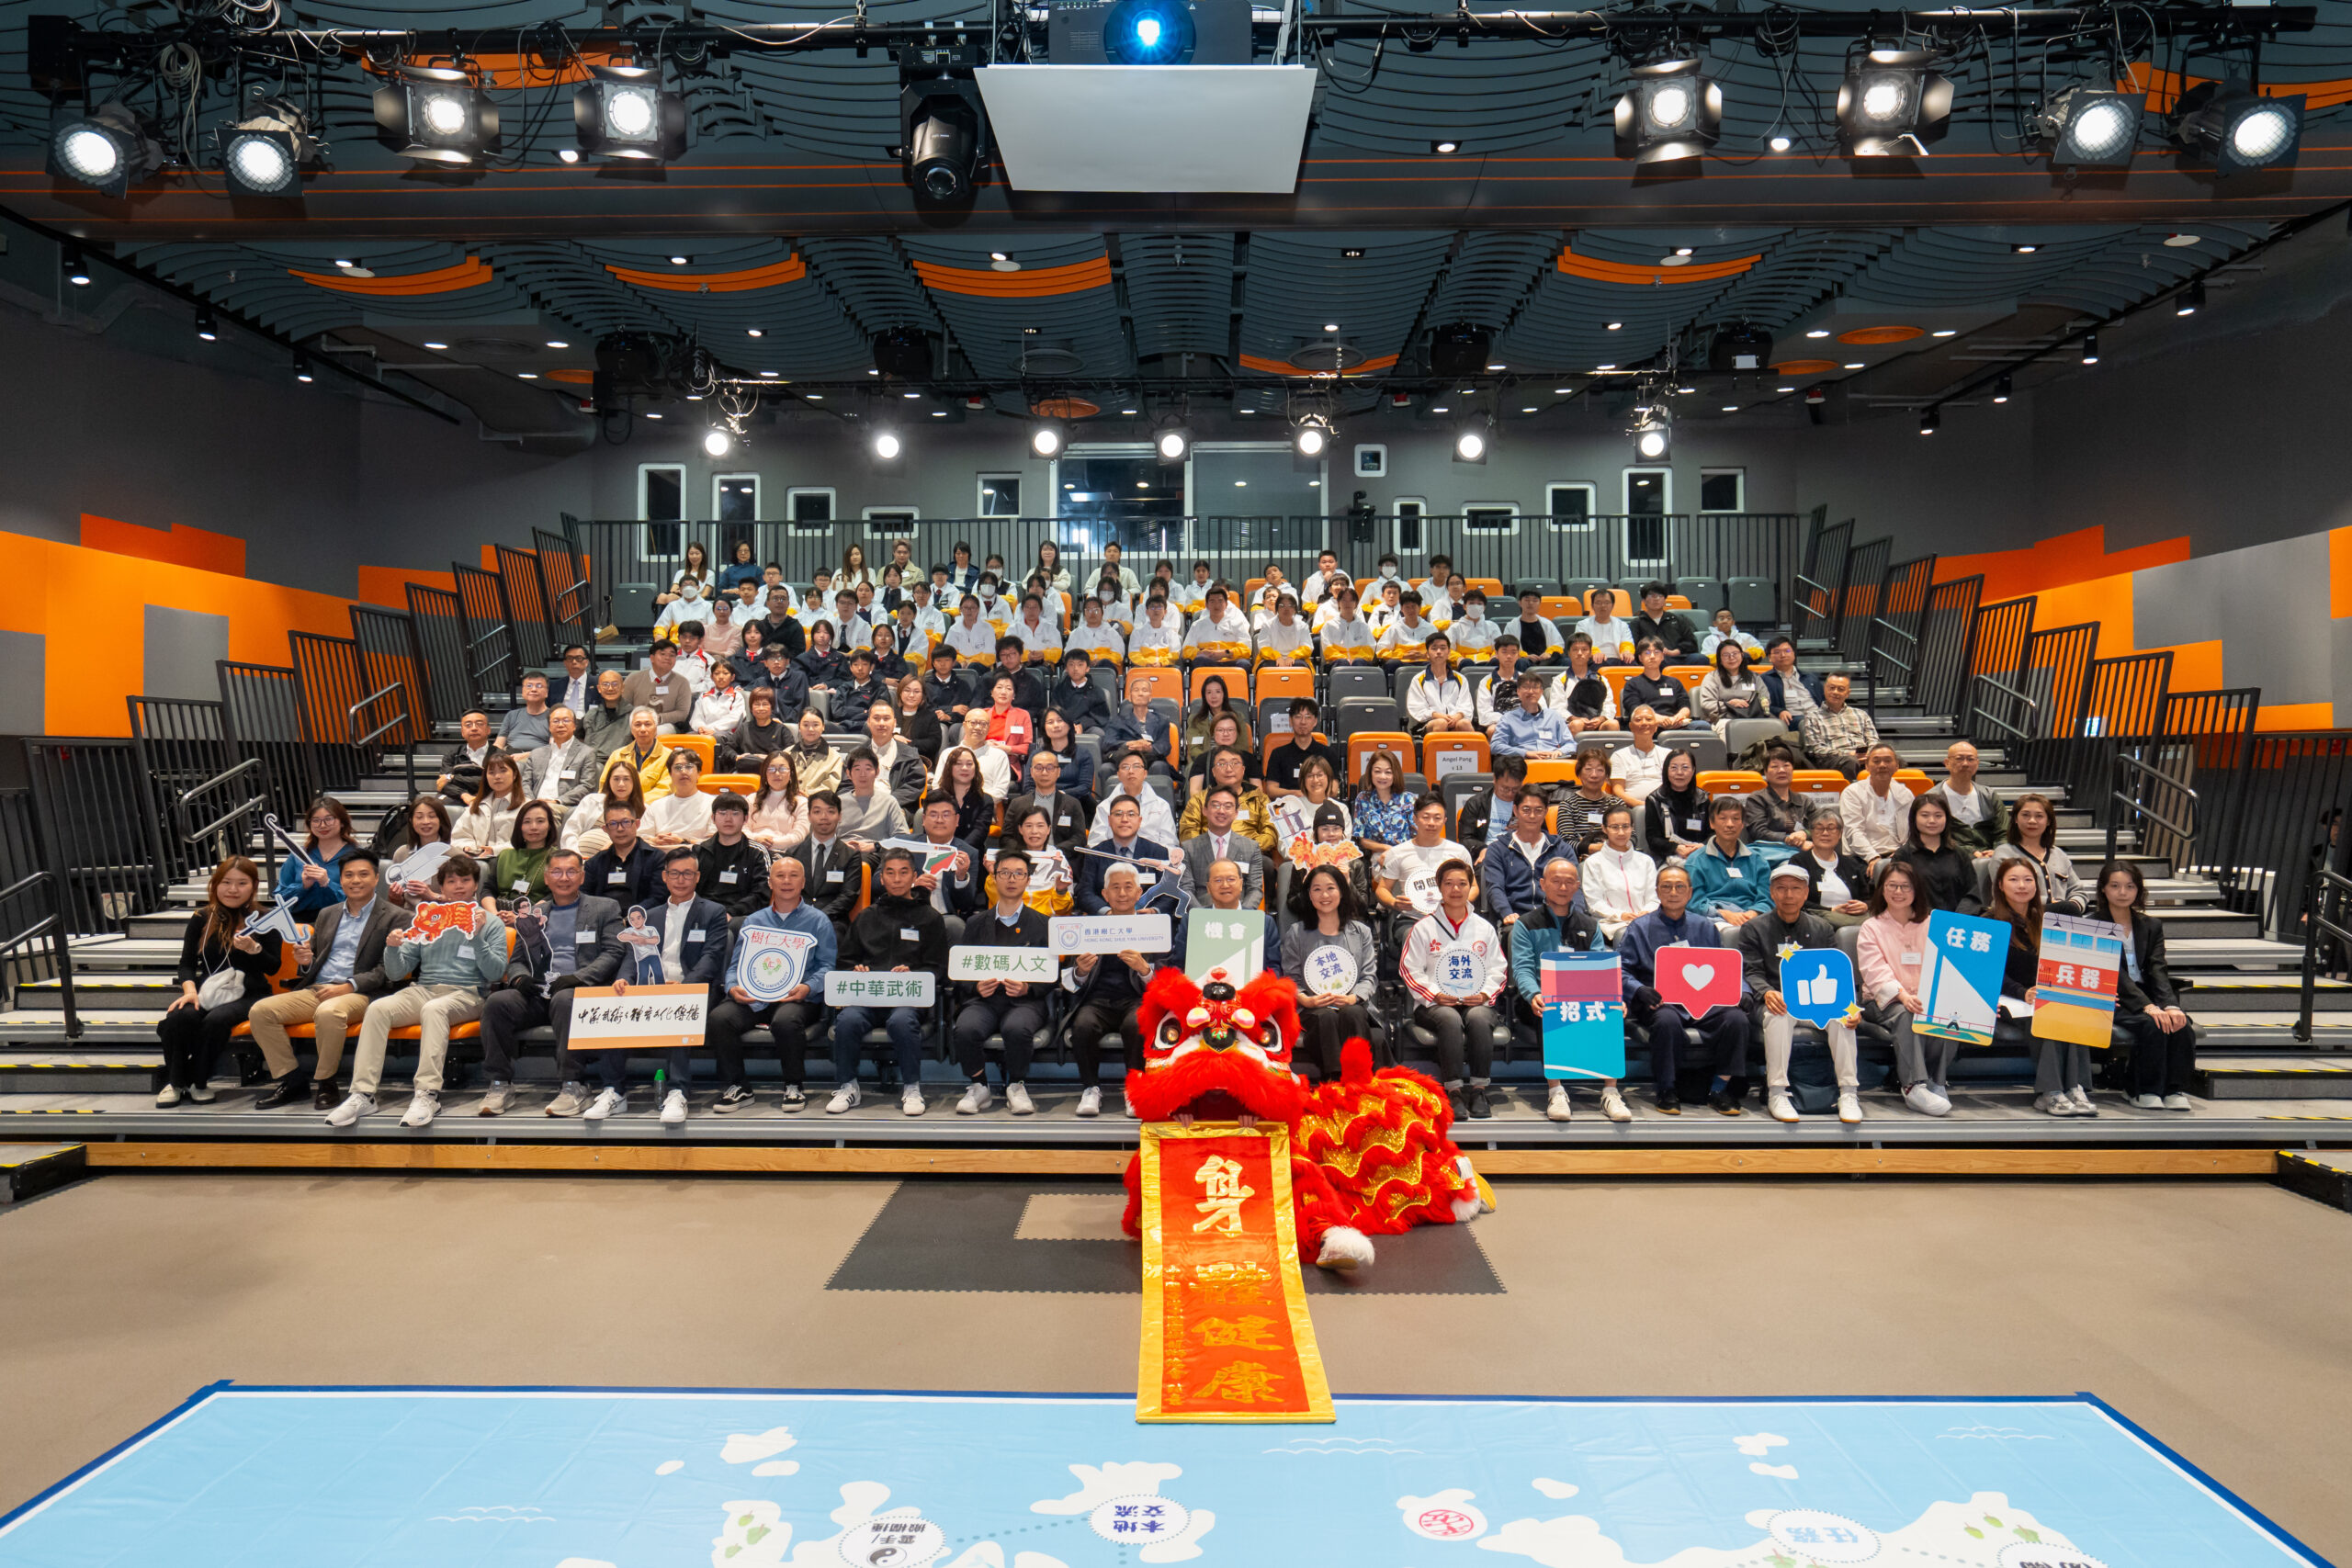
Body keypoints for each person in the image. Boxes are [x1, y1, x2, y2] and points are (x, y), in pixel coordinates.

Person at [327, 854, 508, 1129]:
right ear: (441, 887)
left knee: (434, 1010)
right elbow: (397, 973)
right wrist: (392, 948)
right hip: (424, 988)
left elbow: (495, 973)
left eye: (465, 880)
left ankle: (427, 1094)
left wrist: (477, 935)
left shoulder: (491, 922)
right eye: (451, 881)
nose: (459, 886)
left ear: (475, 885)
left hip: (469, 993)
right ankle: (362, 1094)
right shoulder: (429, 919)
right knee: (377, 1008)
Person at [560, 848, 731, 1124]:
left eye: (687, 874)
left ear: (698, 877)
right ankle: (614, 1091)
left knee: (677, 1007)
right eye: (674, 873)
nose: (681, 880)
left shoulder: (713, 911)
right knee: (614, 1005)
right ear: (664, 877)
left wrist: (683, 986)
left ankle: (677, 1091)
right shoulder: (648, 915)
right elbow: (632, 955)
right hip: (651, 987)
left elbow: (711, 958)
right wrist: (624, 979)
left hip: (693, 987)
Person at [246, 848, 401, 1111]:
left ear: (376, 878)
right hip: (319, 987)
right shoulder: (327, 913)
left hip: (361, 992)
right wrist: (306, 962)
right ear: (341, 879)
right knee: (261, 1011)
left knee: (329, 1012)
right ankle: (292, 1080)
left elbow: (387, 969)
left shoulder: (396, 916)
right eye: (348, 875)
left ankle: (326, 1082)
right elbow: (313, 960)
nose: (355, 880)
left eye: (363, 874)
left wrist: (348, 986)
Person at [473, 849, 625, 1117]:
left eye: (571, 871)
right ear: (546, 878)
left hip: (578, 992)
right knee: (497, 1003)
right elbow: (518, 959)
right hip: (537, 993)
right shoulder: (534, 913)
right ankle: (499, 1083)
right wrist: (519, 977)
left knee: (565, 1000)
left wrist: (578, 978)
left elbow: (613, 952)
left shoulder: (604, 907)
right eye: (556, 872)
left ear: (582, 876)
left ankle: (573, 1085)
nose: (563, 878)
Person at [1736, 862, 1863, 1124]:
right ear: (1772, 892)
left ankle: (1848, 1092)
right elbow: (1751, 971)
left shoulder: (1823, 928)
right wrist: (1767, 992)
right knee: (1779, 1015)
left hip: (1816, 1000)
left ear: (1806, 893)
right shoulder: (1753, 928)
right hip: (1775, 1000)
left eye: (1796, 889)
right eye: (1781, 888)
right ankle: (1777, 1092)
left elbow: (1838, 974)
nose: (1789, 895)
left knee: (1844, 1018)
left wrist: (1852, 1008)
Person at [1619, 863, 1750, 1116]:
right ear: (1657, 891)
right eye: (1666, 887)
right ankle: (1667, 1089)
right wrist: (1639, 989)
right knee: (1666, 1021)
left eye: (1680, 887)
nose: (1673, 892)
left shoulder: (1705, 926)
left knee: (1737, 1019)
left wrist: (1742, 990)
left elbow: (1727, 967)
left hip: (1706, 1002)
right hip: (1661, 1002)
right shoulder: (1639, 927)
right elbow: (1620, 969)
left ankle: (1719, 1089)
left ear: (1690, 892)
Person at [154, 855, 284, 1106]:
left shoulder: (265, 918)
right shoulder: (202, 917)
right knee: (179, 1017)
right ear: (215, 885)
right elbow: (186, 964)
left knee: (216, 1020)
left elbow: (273, 967)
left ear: (253, 887)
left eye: (242, 883)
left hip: (251, 993)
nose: (233, 889)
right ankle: (176, 1083)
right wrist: (190, 991)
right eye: (226, 882)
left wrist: (254, 949)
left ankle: (197, 1081)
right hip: (208, 991)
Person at [1509, 858, 1631, 1123]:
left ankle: (1610, 1092)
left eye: (1568, 882)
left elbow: (1600, 969)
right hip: (1538, 997)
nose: (1562, 887)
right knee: (1549, 1009)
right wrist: (1534, 994)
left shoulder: (1591, 925)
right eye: (1556, 881)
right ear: (1543, 884)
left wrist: (1613, 998)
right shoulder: (1526, 924)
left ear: (1577, 886)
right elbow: (1522, 969)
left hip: (1582, 996)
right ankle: (1556, 1091)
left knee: (1611, 1010)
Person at [828, 848, 947, 1116]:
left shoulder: (930, 918)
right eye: (890, 873)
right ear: (881, 878)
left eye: (903, 873)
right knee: (847, 1021)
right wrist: (856, 970)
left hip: (908, 997)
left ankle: (912, 1087)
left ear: (914, 877)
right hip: (868, 996)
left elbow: (938, 968)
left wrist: (914, 972)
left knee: (901, 1022)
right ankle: (848, 1086)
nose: (896, 879)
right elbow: (845, 962)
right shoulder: (866, 916)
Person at [1063, 861, 1185, 1119]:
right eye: (1115, 888)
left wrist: (1144, 969)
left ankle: (1134, 1088)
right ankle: (1090, 1088)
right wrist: (1080, 971)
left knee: (1137, 1023)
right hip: (1097, 1000)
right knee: (1083, 1025)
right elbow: (1069, 980)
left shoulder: (1155, 929)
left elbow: (1166, 978)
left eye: (1128, 887)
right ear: (1104, 894)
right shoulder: (1088, 928)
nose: (1121, 893)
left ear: (1139, 893)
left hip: (1136, 999)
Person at [946, 849, 1053, 1116]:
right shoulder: (975, 923)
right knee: (965, 1028)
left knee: (1017, 1029)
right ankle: (979, 1085)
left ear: (1028, 880)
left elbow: (1053, 975)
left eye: (1019, 873)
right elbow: (960, 971)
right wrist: (975, 986)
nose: (1011, 879)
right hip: (983, 1000)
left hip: (1025, 1002)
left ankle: (1016, 1085)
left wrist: (1029, 987)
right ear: (994, 878)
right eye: (1004, 873)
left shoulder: (1044, 924)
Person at [1987, 857, 2094, 1117]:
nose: (2021, 886)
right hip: (2008, 997)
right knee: (2045, 1018)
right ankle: (2051, 1092)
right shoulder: (1990, 921)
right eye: (2013, 880)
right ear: (2000, 885)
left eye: (2028, 880)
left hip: (2045, 992)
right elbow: (1991, 971)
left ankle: (2074, 1087)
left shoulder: (2048, 919)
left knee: (2074, 1011)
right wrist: (2021, 992)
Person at [1400, 859, 1504, 1119]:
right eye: (1449, 884)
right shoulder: (1423, 928)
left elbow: (1498, 969)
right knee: (1449, 1018)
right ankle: (1454, 1091)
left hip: (1475, 1000)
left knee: (1479, 1018)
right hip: (1435, 1003)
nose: (1456, 889)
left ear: (1470, 887)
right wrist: (1434, 994)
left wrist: (1484, 994)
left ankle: (1479, 1089)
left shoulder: (1484, 928)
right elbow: (1409, 969)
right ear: (1439, 887)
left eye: (1462, 884)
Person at [2098, 859, 2198, 1111]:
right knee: (2153, 1025)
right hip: (2111, 997)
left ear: (2138, 890)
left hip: (2147, 996)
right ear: (2103, 889)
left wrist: (2170, 1005)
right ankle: (2142, 1090)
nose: (2122, 892)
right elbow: (2114, 972)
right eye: (2115, 886)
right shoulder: (2093, 923)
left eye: (2130, 886)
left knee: (2181, 1024)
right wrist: (2147, 1006)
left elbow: (2157, 968)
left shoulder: (2151, 925)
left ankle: (2173, 1089)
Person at [1859, 860, 1950, 1116]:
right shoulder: (1871, 927)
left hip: (1925, 997)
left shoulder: (1934, 924)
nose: (1898, 892)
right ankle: (1913, 1086)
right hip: (1883, 1002)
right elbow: (1874, 971)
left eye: (1905, 886)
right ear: (1882, 889)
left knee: (1951, 1016)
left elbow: (1946, 965)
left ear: (1916, 890)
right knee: (1907, 1014)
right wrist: (1903, 995)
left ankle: (1936, 1081)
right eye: (1892, 886)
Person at [1282, 864, 1379, 1081]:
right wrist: (1305, 1000)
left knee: (1352, 1013)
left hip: (1352, 1003)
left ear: (1342, 891)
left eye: (1330, 888)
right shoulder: (1297, 932)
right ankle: (1333, 1079)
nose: (1324, 895)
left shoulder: (1361, 932)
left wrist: (1354, 997)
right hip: (1313, 1007)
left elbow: (1369, 976)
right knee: (1325, 1017)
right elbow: (1290, 977)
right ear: (1309, 895)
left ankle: (1361, 1078)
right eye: (1316, 889)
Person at [1376, 795, 1473, 935]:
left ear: (1444, 821)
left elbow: (1473, 887)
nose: (1431, 823)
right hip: (1412, 918)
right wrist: (1393, 902)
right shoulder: (1397, 853)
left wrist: (1457, 901)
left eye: (1437, 818)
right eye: (1426, 817)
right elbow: (1382, 889)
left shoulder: (1459, 852)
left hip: (1452, 916)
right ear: (1415, 819)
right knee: (1414, 935)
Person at [1077, 793, 1180, 915]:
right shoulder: (1096, 853)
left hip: (1147, 920)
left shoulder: (1157, 852)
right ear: (1109, 820)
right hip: (1106, 921)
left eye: (1131, 814)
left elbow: (1169, 892)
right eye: (1118, 814)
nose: (1124, 820)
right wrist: (1107, 912)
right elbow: (1085, 893)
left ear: (1140, 820)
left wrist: (1153, 911)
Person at [1484, 790, 1575, 926]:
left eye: (1538, 810)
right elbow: (1495, 888)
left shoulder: (1561, 849)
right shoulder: (1498, 849)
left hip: (1556, 917)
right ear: (1515, 810)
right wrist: (1506, 913)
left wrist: (1575, 916)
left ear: (1546, 812)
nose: (1532, 816)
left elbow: (1575, 886)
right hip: (1517, 919)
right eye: (1526, 810)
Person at [1989, 793, 2090, 913]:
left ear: (2048, 821)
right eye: (2025, 815)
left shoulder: (2058, 854)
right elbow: (2002, 894)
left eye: (2039, 816)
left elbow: (2078, 890)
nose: (2032, 821)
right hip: (2020, 915)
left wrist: (2074, 905)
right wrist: (2054, 904)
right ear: (2016, 819)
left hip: (2061, 916)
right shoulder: (2003, 854)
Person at [1686, 795, 1773, 931]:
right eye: (1723, 818)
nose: (1730, 824)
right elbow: (1694, 902)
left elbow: (1767, 897)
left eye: (1736, 818)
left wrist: (1753, 913)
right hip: (1713, 917)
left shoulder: (1757, 860)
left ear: (1743, 823)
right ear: (1712, 823)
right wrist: (1723, 913)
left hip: (1751, 916)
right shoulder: (1696, 860)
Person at [1179, 783, 1270, 908]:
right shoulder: (1188, 848)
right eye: (1216, 805)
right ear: (1205, 810)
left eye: (1228, 806)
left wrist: (1243, 915)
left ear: (1236, 812)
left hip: (1240, 914)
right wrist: (1200, 915)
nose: (1221, 811)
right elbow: (1186, 889)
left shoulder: (1251, 847)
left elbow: (1255, 889)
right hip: (1202, 913)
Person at [1889, 794, 1979, 915]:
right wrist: (1934, 917)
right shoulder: (1903, 856)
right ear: (1914, 818)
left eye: (1938, 816)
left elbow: (1973, 893)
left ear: (1947, 818)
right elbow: (1898, 895)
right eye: (1925, 815)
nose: (1932, 821)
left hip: (1958, 921)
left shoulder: (1959, 854)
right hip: (1918, 920)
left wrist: (1958, 917)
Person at [1177, 748, 1278, 854]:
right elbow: (1188, 832)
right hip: (1208, 855)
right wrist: (1213, 850)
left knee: (1266, 862)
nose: (1229, 769)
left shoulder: (1260, 799)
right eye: (1222, 764)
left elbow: (1270, 833)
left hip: (1249, 854)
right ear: (1214, 772)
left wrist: (1246, 849)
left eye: (1235, 763)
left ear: (1243, 770)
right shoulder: (1199, 800)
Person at [1583, 800, 1659, 942]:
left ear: (1632, 828)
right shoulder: (1593, 863)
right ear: (1604, 829)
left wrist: (1645, 913)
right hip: (1613, 924)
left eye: (1625, 827)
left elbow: (1654, 898)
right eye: (1614, 827)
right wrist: (1621, 915)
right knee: (1629, 935)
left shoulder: (1645, 861)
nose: (1621, 832)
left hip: (1646, 920)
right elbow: (1594, 903)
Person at [275, 796, 356, 919]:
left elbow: (363, 898)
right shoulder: (298, 855)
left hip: (343, 921)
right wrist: (303, 887)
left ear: (342, 822)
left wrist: (327, 883)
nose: (322, 825)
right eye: (316, 820)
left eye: (329, 819)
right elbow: (280, 897)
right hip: (301, 922)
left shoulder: (357, 856)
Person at [1923, 740, 2007, 857]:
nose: (1965, 764)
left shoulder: (1989, 796)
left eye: (1971, 759)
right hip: (1948, 856)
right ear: (1947, 763)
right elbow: (1932, 836)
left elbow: (2004, 833)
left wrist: (1998, 851)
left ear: (1977, 764)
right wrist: (1971, 853)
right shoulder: (1932, 797)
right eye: (1959, 759)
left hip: (1990, 858)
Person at [1838, 743, 1914, 873]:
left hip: (1897, 855)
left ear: (1897, 766)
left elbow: (1911, 832)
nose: (1882, 765)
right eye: (1876, 761)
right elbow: (1853, 831)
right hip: (1861, 858)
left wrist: (1900, 853)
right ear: (1867, 766)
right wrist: (1873, 857)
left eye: (1888, 761)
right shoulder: (1852, 792)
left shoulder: (1905, 794)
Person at [693, 792, 768, 917]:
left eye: (735, 813)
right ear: (713, 818)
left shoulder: (757, 852)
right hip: (703, 913)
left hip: (741, 916)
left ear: (745, 818)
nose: (728, 819)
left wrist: (731, 913)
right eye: (722, 813)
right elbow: (688, 888)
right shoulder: (700, 850)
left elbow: (761, 894)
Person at [1090, 749, 1182, 851]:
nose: (1131, 771)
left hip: (1152, 858)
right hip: (1115, 858)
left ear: (1145, 773)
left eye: (1136, 766)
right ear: (1118, 775)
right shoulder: (1104, 807)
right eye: (1125, 767)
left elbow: (1170, 844)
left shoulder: (1161, 806)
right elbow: (1096, 844)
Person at [582, 801, 665, 909]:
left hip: (642, 917)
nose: (620, 829)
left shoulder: (656, 858)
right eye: (613, 824)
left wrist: (633, 915)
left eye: (626, 822)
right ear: (605, 829)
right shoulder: (594, 863)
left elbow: (658, 897)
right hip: (602, 917)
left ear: (637, 824)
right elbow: (584, 897)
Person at [1798, 808, 1873, 928]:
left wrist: (1865, 905)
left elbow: (1867, 897)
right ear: (1811, 832)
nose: (1825, 833)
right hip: (1817, 919)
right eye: (1819, 828)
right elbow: (1796, 899)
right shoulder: (1799, 862)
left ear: (1840, 833)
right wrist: (1831, 910)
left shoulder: (1851, 863)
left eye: (1831, 828)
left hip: (1853, 917)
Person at [523, 706, 599, 819]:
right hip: (534, 803)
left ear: (574, 726)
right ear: (549, 726)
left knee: (545, 815)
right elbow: (525, 783)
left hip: (563, 805)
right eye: (556, 721)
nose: (560, 725)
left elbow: (586, 786)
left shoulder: (587, 753)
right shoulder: (537, 753)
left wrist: (557, 801)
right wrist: (531, 802)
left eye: (566, 720)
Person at [1801, 672, 1879, 779]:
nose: (1835, 692)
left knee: (1894, 759)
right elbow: (1816, 749)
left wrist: (1870, 754)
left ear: (1848, 693)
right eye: (1832, 688)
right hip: (1833, 760)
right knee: (1850, 761)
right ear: (1825, 689)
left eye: (1840, 689)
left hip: (1864, 757)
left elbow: (1873, 740)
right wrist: (1849, 754)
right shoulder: (1812, 717)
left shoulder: (1861, 714)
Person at [1644, 746, 1712, 864]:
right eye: (1674, 768)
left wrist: (1703, 846)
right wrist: (1675, 848)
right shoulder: (1654, 800)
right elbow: (1653, 839)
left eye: (1685, 768)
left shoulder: (1703, 799)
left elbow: (1713, 833)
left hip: (1700, 856)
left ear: (1693, 771)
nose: (1679, 773)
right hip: (1666, 857)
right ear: (1666, 771)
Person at [452, 752, 524, 858]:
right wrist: (467, 847)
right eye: (491, 772)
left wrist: (495, 850)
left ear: (515, 774)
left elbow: (527, 841)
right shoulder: (476, 805)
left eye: (503, 771)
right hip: (477, 859)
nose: (497, 777)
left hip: (511, 859)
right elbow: (459, 836)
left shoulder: (526, 807)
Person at [641, 748, 716, 847]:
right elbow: (640, 839)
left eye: (689, 767)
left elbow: (715, 842)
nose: (683, 772)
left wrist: (683, 842)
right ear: (670, 774)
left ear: (698, 773)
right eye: (678, 767)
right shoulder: (656, 806)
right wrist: (654, 840)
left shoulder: (713, 804)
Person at [1403, 635, 1475, 739]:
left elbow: (1466, 705)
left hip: (1455, 720)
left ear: (1449, 652)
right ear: (1427, 654)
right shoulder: (1418, 679)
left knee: (1465, 724)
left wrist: (1457, 716)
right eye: (1434, 648)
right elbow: (1417, 708)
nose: (1439, 651)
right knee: (1441, 723)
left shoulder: (1461, 679)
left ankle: (1474, 751)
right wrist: (1437, 715)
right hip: (1428, 724)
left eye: (1443, 648)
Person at [836, 747, 910, 845]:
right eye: (857, 769)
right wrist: (843, 847)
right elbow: (824, 836)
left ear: (877, 772)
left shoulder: (889, 802)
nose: (862, 774)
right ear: (848, 774)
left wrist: (874, 847)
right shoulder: (838, 803)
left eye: (868, 769)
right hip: (842, 850)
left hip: (876, 851)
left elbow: (902, 837)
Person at [1263, 699, 1338, 797]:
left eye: (1308, 717)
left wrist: (1312, 797)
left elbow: (1333, 789)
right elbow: (1271, 790)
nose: (1303, 722)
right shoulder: (1278, 754)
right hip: (1288, 804)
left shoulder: (1328, 753)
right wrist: (1294, 794)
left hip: (1320, 803)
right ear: (1290, 721)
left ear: (1315, 721)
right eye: (1298, 717)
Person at [602, 707, 677, 804]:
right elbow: (604, 786)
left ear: (656, 727)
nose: (642, 729)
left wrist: (634, 803)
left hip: (653, 808)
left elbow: (665, 790)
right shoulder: (617, 755)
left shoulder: (670, 757)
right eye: (637, 725)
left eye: (648, 724)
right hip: (618, 807)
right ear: (631, 729)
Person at [1351, 750, 1416, 859]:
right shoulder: (1363, 799)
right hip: (1378, 854)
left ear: (1395, 774)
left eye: (1388, 772)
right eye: (1377, 771)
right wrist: (1386, 848)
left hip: (1406, 854)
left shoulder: (1409, 799)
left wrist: (1400, 852)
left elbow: (1417, 835)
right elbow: (1362, 839)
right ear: (1370, 773)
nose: (1382, 776)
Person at [491, 800, 560, 904]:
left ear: (549, 825)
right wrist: (493, 912)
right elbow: (488, 890)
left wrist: (530, 912)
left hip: (539, 911)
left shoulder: (558, 858)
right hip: (500, 910)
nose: (533, 827)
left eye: (540, 821)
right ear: (520, 826)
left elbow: (556, 894)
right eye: (527, 822)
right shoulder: (505, 855)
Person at [1492, 670, 1571, 760]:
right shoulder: (1508, 718)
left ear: (1541, 692)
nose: (1530, 691)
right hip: (1522, 762)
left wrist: (1560, 751)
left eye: (1535, 687)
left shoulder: (1554, 716)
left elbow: (1570, 744)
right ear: (1518, 691)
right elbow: (1496, 746)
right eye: (1526, 687)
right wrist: (1525, 753)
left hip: (1552, 761)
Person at [620, 640, 695, 735]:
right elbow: (624, 706)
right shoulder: (633, 678)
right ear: (652, 658)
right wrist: (640, 719)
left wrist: (657, 718)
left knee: (658, 731)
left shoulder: (682, 682)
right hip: (636, 721)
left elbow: (682, 713)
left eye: (672, 655)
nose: (667, 658)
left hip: (665, 724)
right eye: (662, 654)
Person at [1694, 640, 1765, 734]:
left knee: (1774, 725)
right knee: (1730, 727)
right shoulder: (1711, 678)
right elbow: (1707, 704)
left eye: (1735, 653)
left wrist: (1750, 707)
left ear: (1742, 655)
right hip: (1723, 719)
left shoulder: (1754, 677)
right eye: (1726, 655)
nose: (1731, 657)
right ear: (1719, 659)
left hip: (1752, 716)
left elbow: (1765, 699)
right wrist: (1729, 704)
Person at [1622, 640, 1693, 730]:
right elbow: (1635, 709)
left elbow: (1685, 706)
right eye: (1647, 653)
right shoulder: (1632, 684)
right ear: (1640, 658)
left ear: (1662, 656)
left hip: (1676, 724)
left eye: (1656, 652)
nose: (1652, 656)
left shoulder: (1674, 682)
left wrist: (1677, 718)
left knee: (1702, 726)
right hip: (1648, 726)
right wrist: (1658, 719)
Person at [1758, 637, 1822, 731]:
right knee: (1807, 723)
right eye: (1777, 652)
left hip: (1817, 715)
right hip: (1792, 718)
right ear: (1770, 657)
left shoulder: (1810, 677)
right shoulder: (1764, 679)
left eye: (1787, 651)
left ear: (1794, 654)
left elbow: (1823, 700)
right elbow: (1761, 704)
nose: (1783, 655)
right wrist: (1779, 711)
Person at [1182, 583, 1253, 667]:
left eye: (1220, 601)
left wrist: (1225, 653)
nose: (1217, 605)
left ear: (1226, 604)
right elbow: (1186, 651)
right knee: (1199, 660)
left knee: (1244, 664)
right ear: (1206, 605)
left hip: (1231, 661)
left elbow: (1246, 649)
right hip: (1207, 662)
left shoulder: (1238, 623)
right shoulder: (1197, 625)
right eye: (1212, 601)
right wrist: (1200, 652)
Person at [1182, 676, 1253, 758]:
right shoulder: (1195, 721)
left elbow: (1242, 747)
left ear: (1224, 694)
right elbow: (1194, 749)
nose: (1213, 696)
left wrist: (1226, 759)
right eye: (1209, 692)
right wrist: (1210, 760)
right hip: (1204, 760)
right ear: (1204, 696)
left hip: (1232, 760)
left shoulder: (1237, 718)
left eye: (1218, 692)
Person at [435, 709, 495, 800]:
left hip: (489, 798)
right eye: (468, 725)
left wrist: (452, 778)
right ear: (462, 732)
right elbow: (443, 783)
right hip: (457, 797)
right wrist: (464, 795)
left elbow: (490, 781)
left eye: (479, 724)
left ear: (488, 730)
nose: (474, 728)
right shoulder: (452, 755)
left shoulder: (499, 755)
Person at [1628, 581, 1700, 657]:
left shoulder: (1677, 619)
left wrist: (1675, 652)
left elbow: (1691, 643)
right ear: (1644, 600)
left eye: (1660, 596)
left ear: (1665, 600)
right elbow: (1635, 647)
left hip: (1678, 657)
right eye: (1652, 596)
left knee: (1700, 658)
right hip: (1651, 658)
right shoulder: (1637, 623)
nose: (1656, 599)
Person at [1377, 592, 1441, 672]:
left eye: (1413, 606)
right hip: (1402, 663)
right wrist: (1403, 656)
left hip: (1425, 662)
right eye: (1407, 607)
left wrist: (1425, 655)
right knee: (1391, 664)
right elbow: (1380, 651)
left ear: (1420, 607)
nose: (1411, 610)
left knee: (1440, 664)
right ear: (1401, 608)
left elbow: (1440, 650)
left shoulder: (1430, 628)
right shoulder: (1394, 628)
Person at [1317, 585, 1378, 666]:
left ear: (1356, 604)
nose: (1347, 603)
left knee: (1359, 662)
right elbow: (1328, 649)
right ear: (1338, 603)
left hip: (1359, 663)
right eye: (1344, 600)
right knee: (1343, 663)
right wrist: (1345, 659)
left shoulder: (1364, 627)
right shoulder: (1329, 626)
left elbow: (1369, 649)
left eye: (1351, 600)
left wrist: (1354, 659)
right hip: (1336, 663)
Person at [1573, 589, 1636, 664]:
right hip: (1594, 660)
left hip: (1618, 659)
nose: (1603, 606)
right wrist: (1595, 653)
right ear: (1592, 606)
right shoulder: (1582, 625)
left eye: (1607, 603)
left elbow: (1627, 643)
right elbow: (1582, 645)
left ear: (1612, 605)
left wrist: (1627, 652)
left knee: (1631, 663)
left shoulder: (1622, 625)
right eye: (1598, 603)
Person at [1505, 587, 1566, 661]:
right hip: (1523, 660)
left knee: (1566, 661)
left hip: (1546, 660)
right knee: (1521, 662)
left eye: (1535, 600)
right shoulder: (1511, 626)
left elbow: (1558, 644)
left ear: (1540, 604)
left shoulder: (1547, 624)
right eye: (1527, 600)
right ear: (1520, 603)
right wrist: (1525, 656)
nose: (1531, 603)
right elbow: (1507, 647)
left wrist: (1548, 653)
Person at [498, 672, 554, 752]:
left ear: (547, 692)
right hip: (510, 757)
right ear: (522, 692)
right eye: (529, 686)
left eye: (539, 686)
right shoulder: (512, 715)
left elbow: (553, 748)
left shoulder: (554, 716)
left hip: (540, 757)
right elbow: (499, 744)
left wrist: (526, 755)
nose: (533, 689)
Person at [656, 542, 715, 607]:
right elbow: (673, 590)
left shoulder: (710, 574)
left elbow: (705, 595)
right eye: (691, 554)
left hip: (697, 600)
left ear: (702, 555)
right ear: (688, 556)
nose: (694, 556)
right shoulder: (680, 573)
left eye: (697, 553)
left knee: (671, 597)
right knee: (662, 596)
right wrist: (679, 592)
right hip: (681, 597)